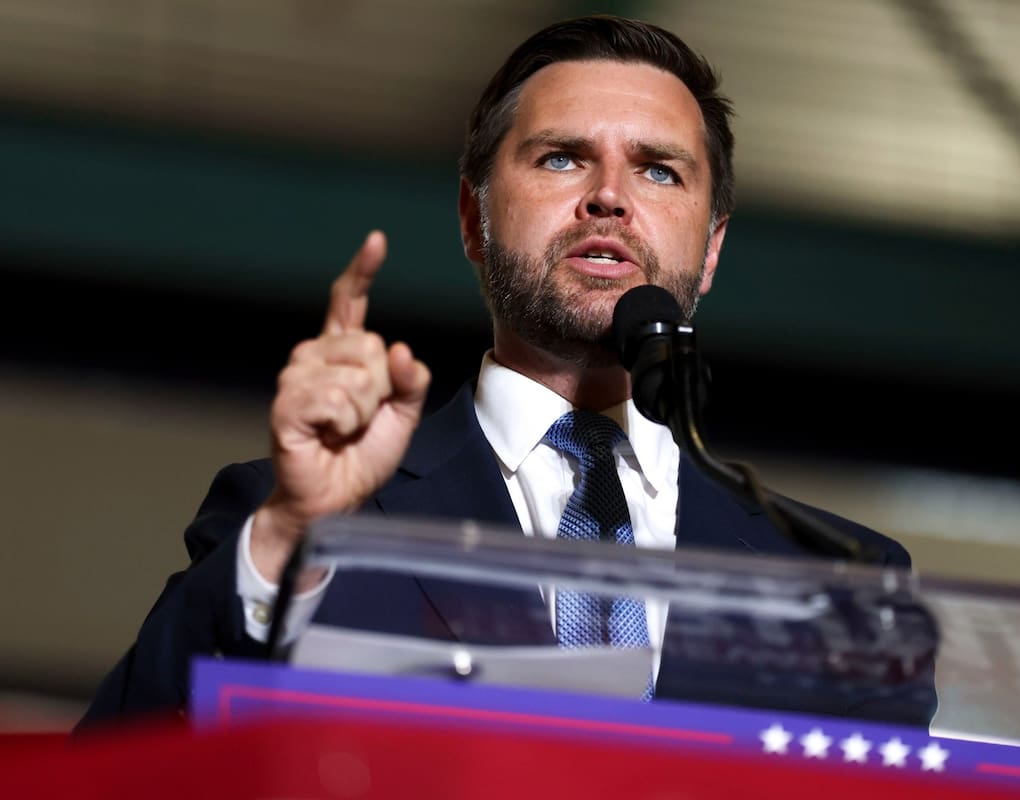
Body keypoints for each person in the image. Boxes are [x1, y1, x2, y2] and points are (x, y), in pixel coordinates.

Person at [77, 14, 936, 732]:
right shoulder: (303, 519)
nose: (609, 196)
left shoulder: (841, 586)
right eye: (561, 157)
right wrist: (288, 542)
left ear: (710, 248)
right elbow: (114, 768)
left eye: (659, 169)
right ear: (472, 218)